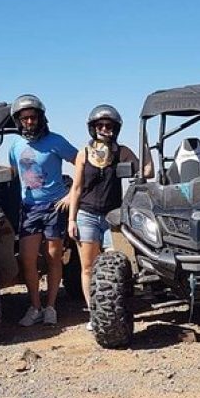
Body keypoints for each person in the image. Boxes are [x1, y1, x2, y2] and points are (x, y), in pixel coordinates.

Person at [67, 104, 153, 330]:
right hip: (86, 215)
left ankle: (116, 309)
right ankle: (95, 314)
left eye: (109, 125)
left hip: (112, 217)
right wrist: (71, 219)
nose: (104, 129)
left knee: (119, 264)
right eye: (100, 125)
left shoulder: (121, 152)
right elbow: (76, 188)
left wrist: (145, 144)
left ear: (115, 128)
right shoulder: (83, 153)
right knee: (88, 267)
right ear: (93, 128)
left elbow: (147, 171)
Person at [7, 95, 78, 327]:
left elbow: (81, 162)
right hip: (29, 208)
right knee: (27, 259)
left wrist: (71, 194)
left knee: (53, 258)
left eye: (33, 117)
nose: (29, 121)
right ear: (19, 121)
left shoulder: (55, 141)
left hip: (54, 207)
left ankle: (51, 307)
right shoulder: (16, 145)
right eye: (25, 118)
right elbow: (12, 173)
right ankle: (35, 306)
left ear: (40, 118)